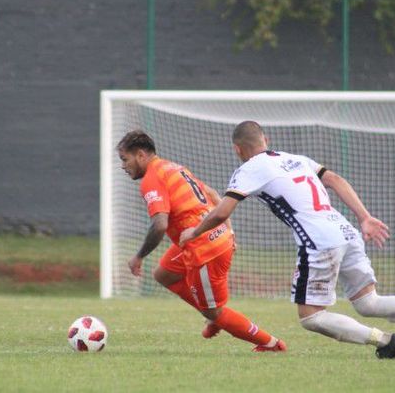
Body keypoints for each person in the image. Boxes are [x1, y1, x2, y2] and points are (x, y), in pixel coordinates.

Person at [180, 120, 395, 360]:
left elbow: (223, 211)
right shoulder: (297, 158)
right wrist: (364, 217)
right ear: (266, 140)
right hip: (345, 230)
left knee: (312, 317)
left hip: (319, 241)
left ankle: (385, 342)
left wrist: (194, 232)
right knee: (368, 302)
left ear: (237, 150)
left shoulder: (249, 168)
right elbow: (334, 179)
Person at [117, 130, 286, 352]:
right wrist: (230, 232)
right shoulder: (173, 167)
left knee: (214, 311)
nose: (123, 165)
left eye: (124, 159)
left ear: (140, 155)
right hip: (211, 236)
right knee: (163, 273)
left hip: (204, 248)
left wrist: (139, 256)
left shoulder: (152, 179)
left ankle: (271, 344)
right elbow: (213, 194)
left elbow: (160, 225)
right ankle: (212, 315)